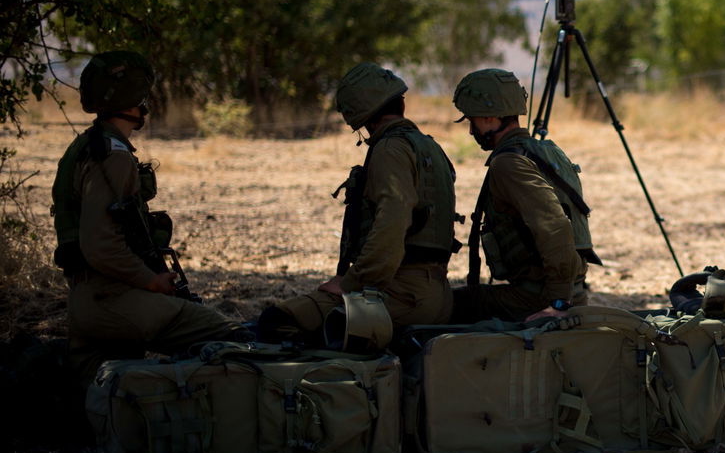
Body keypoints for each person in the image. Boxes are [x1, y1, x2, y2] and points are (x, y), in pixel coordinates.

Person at [51, 51, 252, 383]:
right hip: (113, 298)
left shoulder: (85, 146)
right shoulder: (113, 157)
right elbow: (100, 245)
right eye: (142, 96)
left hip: (89, 298)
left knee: (95, 388)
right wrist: (151, 281)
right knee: (235, 338)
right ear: (133, 102)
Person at [259, 64, 458, 343]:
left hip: (401, 295)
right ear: (400, 102)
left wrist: (352, 283)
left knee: (276, 322)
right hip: (437, 295)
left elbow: (393, 221)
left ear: (359, 114)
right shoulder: (429, 147)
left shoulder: (389, 149)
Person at [451, 68, 600, 323]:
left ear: (488, 118)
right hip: (566, 291)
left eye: (472, 121)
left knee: (441, 308)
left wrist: (558, 304)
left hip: (539, 299)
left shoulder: (509, 163)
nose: (471, 131)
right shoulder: (546, 151)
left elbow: (555, 227)